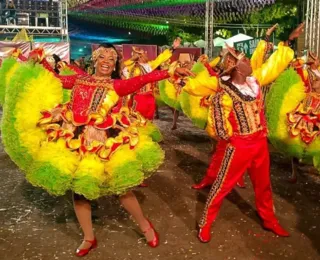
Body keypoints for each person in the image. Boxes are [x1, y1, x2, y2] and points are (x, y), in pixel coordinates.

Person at [2, 43, 192, 257]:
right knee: (80, 190)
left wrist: (171, 71)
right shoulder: (78, 79)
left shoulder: (117, 85)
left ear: (115, 65)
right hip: (74, 140)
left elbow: (143, 79)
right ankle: (88, 238)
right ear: (95, 59)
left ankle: (145, 225)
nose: (106, 62)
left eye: (111, 60)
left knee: (121, 189)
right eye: (102, 57)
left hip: (103, 141)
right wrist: (40, 60)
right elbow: (56, 79)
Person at [181, 24, 304, 243]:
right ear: (237, 67)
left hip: (259, 143)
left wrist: (288, 41)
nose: (251, 62)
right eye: (245, 61)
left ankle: (269, 220)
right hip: (239, 145)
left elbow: (273, 66)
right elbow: (219, 128)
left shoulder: (254, 82)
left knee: (264, 184)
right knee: (222, 186)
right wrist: (234, 138)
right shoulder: (224, 92)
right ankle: (205, 222)